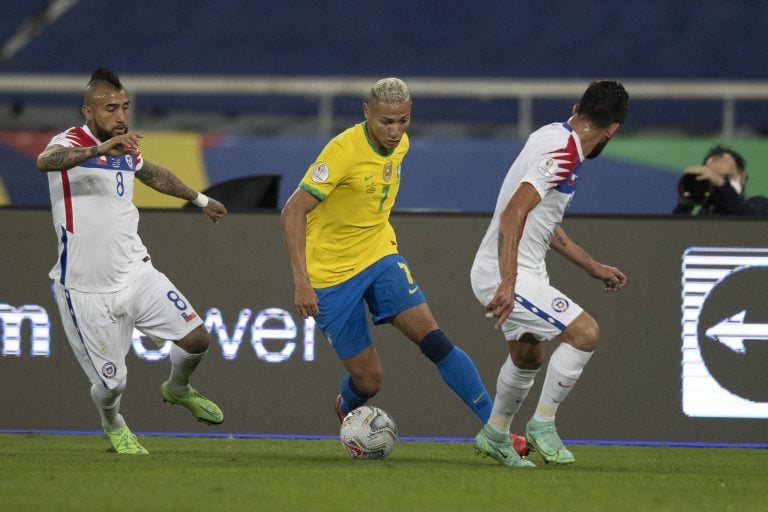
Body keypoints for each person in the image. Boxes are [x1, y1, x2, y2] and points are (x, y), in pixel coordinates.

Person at [281, 77, 529, 461]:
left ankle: (496, 431)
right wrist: (302, 282)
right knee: (370, 380)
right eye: (386, 122)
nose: (395, 131)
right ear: (366, 113)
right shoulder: (341, 152)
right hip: (331, 274)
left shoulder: (402, 144)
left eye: (403, 121)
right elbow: (293, 210)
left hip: (380, 257)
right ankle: (346, 404)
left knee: (435, 341)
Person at [36, 68, 227, 455]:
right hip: (85, 289)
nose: (121, 116)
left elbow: (154, 174)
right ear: (88, 112)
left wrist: (200, 200)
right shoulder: (70, 142)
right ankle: (113, 423)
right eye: (110, 109)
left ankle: (177, 389)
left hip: (135, 272)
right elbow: (46, 160)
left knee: (196, 339)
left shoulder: (126, 149)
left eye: (125, 107)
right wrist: (97, 152)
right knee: (111, 386)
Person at [470, 80, 630, 467]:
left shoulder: (553, 135)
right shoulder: (560, 152)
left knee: (528, 356)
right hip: (504, 272)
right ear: (613, 129)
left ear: (577, 107)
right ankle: (543, 424)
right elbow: (514, 213)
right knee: (585, 333)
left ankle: (495, 434)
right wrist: (508, 282)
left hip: (523, 271)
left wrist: (593, 267)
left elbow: (544, 223)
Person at [673, 144, 768, 216]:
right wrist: (687, 200)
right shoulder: (705, 214)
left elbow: (748, 216)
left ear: (742, 178)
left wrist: (722, 184)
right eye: (712, 177)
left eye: (726, 177)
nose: (717, 182)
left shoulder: (760, 204)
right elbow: (674, 233)